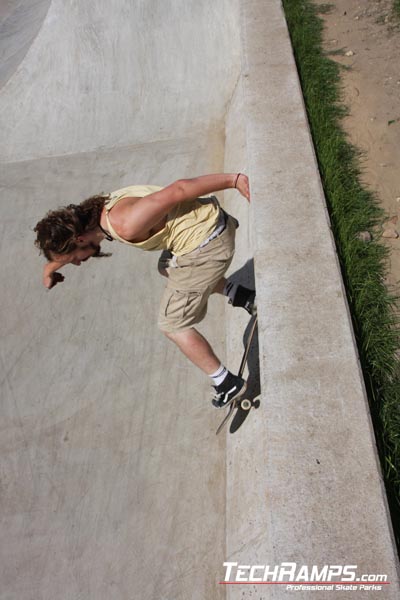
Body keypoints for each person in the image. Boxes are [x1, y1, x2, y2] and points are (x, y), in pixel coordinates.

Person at [34, 173, 256, 408]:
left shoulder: (126, 224)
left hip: (209, 243)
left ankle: (225, 382)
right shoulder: (97, 210)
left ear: (79, 239)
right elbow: (73, 248)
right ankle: (243, 296)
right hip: (205, 224)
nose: (77, 263)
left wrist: (235, 180)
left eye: (73, 259)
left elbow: (178, 190)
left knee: (172, 324)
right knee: (166, 267)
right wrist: (51, 267)